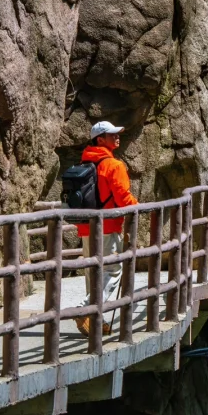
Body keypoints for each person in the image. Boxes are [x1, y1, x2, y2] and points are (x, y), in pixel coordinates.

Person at [75, 120, 138, 334]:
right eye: (112, 135)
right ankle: (86, 310)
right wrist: (139, 207)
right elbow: (123, 198)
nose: (117, 137)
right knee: (113, 270)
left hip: (86, 227)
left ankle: (94, 320)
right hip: (108, 226)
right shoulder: (113, 165)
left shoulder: (84, 164)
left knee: (93, 272)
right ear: (100, 139)